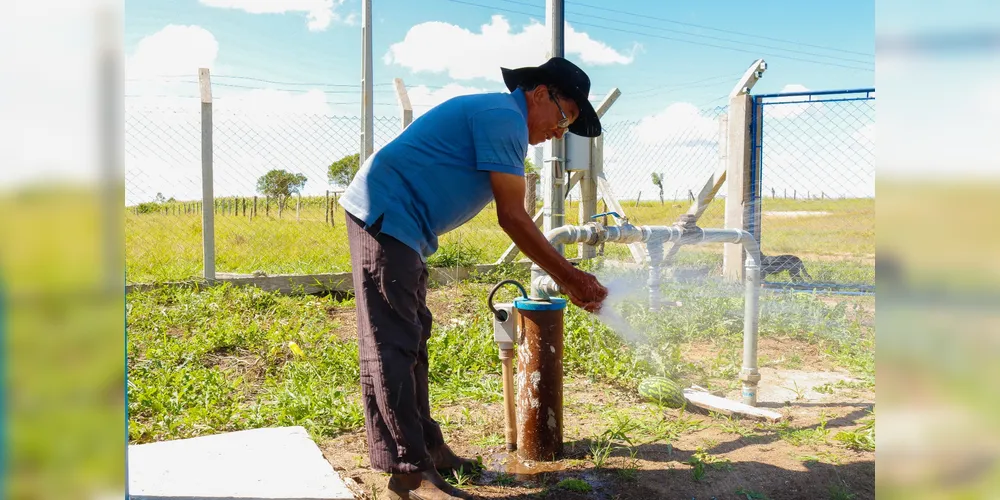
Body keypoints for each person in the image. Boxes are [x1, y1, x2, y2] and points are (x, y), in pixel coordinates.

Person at [340, 57, 609, 500]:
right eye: (564, 118)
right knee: (391, 342)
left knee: (412, 335)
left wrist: (569, 276)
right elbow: (514, 217)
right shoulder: (504, 119)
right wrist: (570, 277)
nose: (560, 132)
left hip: (403, 223)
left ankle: (427, 447)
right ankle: (407, 475)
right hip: (385, 213)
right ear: (540, 94)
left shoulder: (503, 121)